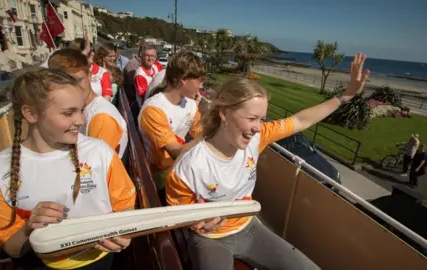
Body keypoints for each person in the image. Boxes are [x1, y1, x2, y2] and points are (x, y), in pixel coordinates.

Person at [166, 53, 371, 270]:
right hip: (211, 239)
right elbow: (177, 216)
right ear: (224, 113)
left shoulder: (258, 137)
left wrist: (345, 96)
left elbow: (300, 120)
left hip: (249, 228)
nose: (258, 127)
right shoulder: (189, 166)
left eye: (262, 119)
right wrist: (197, 221)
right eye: (251, 118)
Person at [0, 69, 136, 269]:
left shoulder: (100, 152)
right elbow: (11, 248)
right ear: (31, 114)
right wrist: (29, 228)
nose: (80, 121)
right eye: (68, 113)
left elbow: (125, 206)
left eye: (81, 110)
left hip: (99, 261)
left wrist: (124, 233)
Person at [138, 51, 205, 198]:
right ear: (182, 80)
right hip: (158, 177)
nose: (201, 85)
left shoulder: (191, 105)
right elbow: (176, 152)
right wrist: (214, 136)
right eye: (199, 80)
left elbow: (200, 133)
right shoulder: (154, 109)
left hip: (177, 167)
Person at [49, 48, 128, 158]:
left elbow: (94, 167)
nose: (72, 87)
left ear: (89, 76)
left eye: (77, 80)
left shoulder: (102, 117)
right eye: (63, 82)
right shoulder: (82, 109)